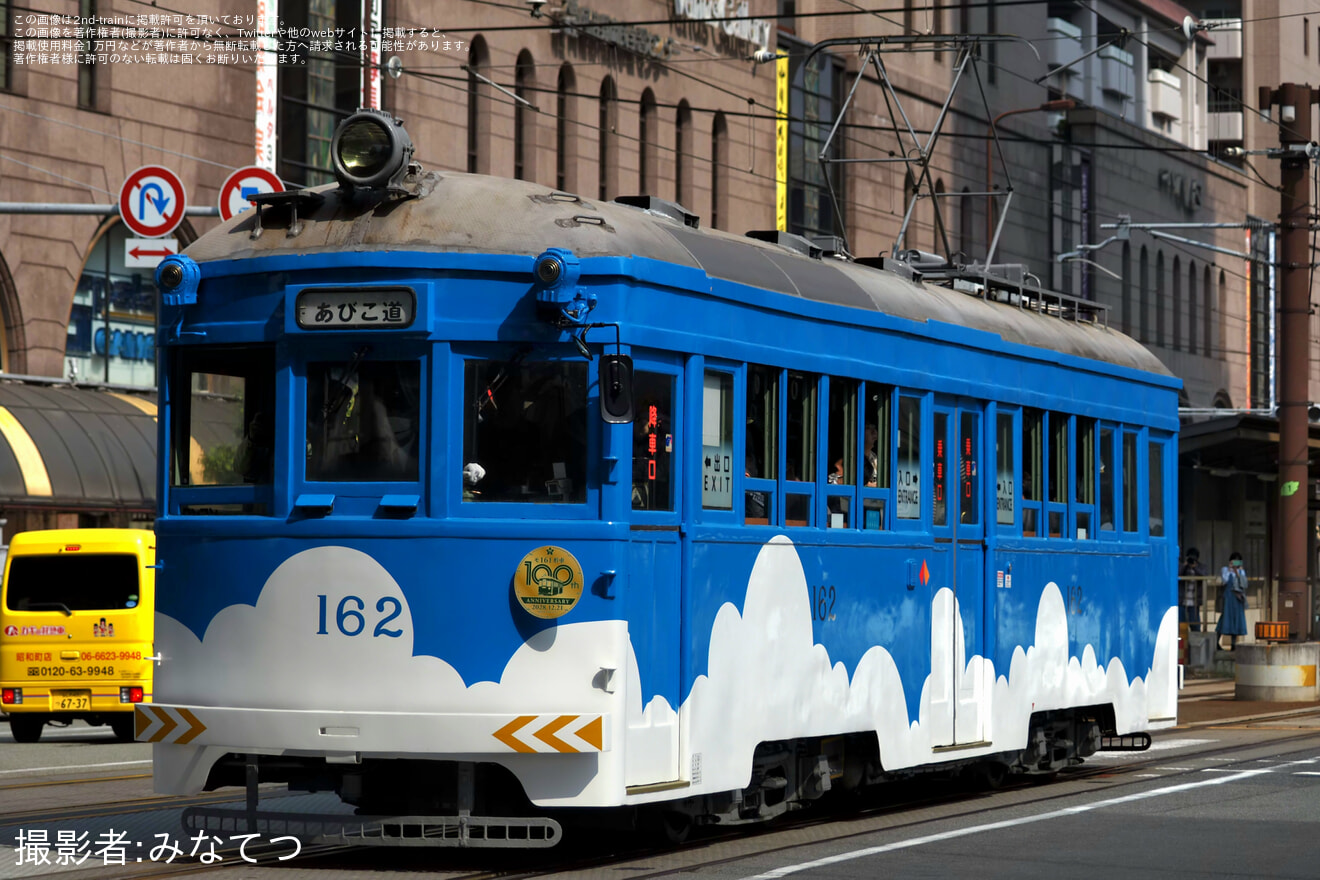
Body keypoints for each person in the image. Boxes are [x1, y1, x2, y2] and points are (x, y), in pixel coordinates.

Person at [1216, 551, 1248, 651]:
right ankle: (1217, 642)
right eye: (1234, 561)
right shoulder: (1225, 569)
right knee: (1225, 619)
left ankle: (1233, 644)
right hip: (1228, 597)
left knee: (1236, 620)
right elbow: (1224, 581)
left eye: (1237, 562)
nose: (1235, 564)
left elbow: (1244, 584)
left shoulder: (1242, 572)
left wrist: (1238, 572)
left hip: (1237, 598)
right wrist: (1230, 570)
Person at [1179, 547, 1206, 631]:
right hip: (1182, 601)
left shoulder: (1201, 567)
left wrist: (1195, 567)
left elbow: (1203, 576)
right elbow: (1176, 574)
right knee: (1181, 626)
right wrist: (1185, 565)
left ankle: (1195, 643)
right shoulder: (1183, 566)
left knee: (1195, 626)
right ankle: (1183, 643)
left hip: (1194, 602)